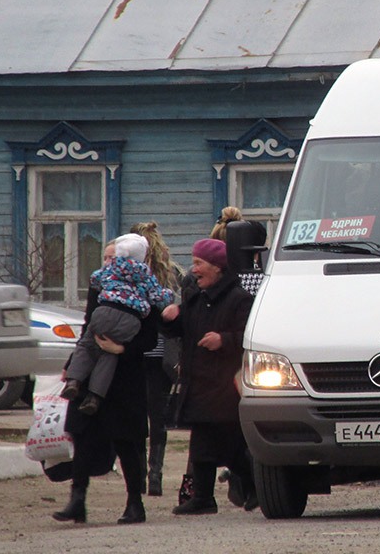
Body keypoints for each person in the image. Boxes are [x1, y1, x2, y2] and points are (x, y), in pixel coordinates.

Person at [52, 240, 160, 525]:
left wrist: (123, 350)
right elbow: (89, 326)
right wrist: (72, 364)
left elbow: (150, 338)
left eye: (114, 257)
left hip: (126, 379)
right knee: (83, 434)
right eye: (106, 257)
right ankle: (77, 500)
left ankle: (134, 503)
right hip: (90, 375)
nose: (110, 262)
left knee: (127, 441)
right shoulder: (100, 284)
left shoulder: (145, 288)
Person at [161, 238, 256, 515]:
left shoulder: (239, 299)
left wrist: (223, 340)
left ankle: (256, 487)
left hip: (224, 386)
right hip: (198, 383)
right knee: (202, 446)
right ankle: (204, 498)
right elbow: (181, 332)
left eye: (199, 263)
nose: (194, 270)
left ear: (217, 267)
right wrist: (169, 318)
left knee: (230, 449)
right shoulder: (196, 299)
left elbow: (250, 338)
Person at [61, 233, 174, 416]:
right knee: (108, 357)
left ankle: (74, 381)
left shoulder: (109, 272)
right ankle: (95, 397)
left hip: (104, 313)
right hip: (131, 321)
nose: (107, 261)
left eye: (110, 257)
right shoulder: (146, 276)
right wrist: (168, 299)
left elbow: (95, 280)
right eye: (105, 257)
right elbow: (159, 297)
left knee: (87, 344)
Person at [129, 221, 184, 497]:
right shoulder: (171, 273)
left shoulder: (127, 274)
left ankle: (137, 477)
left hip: (136, 352)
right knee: (158, 419)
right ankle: (155, 478)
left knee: (136, 416)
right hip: (162, 355)